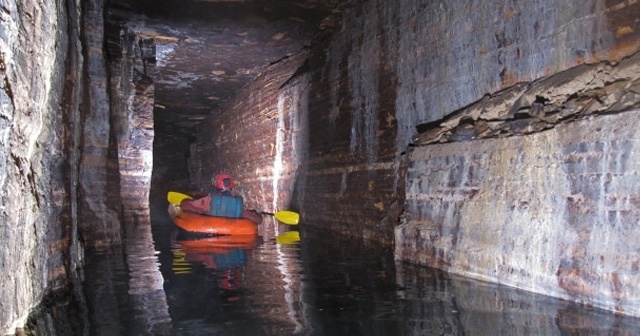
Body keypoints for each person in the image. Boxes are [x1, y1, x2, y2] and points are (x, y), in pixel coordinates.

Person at [180, 173, 263, 224]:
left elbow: (185, 204)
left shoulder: (209, 199)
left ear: (217, 185)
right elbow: (258, 220)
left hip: (210, 230)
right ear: (231, 186)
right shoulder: (238, 203)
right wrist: (256, 213)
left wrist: (200, 212)